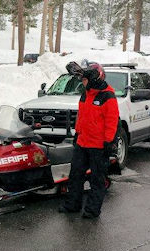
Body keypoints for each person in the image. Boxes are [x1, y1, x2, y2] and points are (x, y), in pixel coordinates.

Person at [59, 63, 119, 218]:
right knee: (75, 176)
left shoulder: (108, 96)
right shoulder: (86, 93)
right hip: (82, 142)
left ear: (94, 78)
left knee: (97, 180)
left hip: (99, 146)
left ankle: (92, 210)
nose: (82, 82)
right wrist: (77, 134)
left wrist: (109, 141)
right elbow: (82, 116)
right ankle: (72, 205)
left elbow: (112, 121)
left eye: (84, 80)